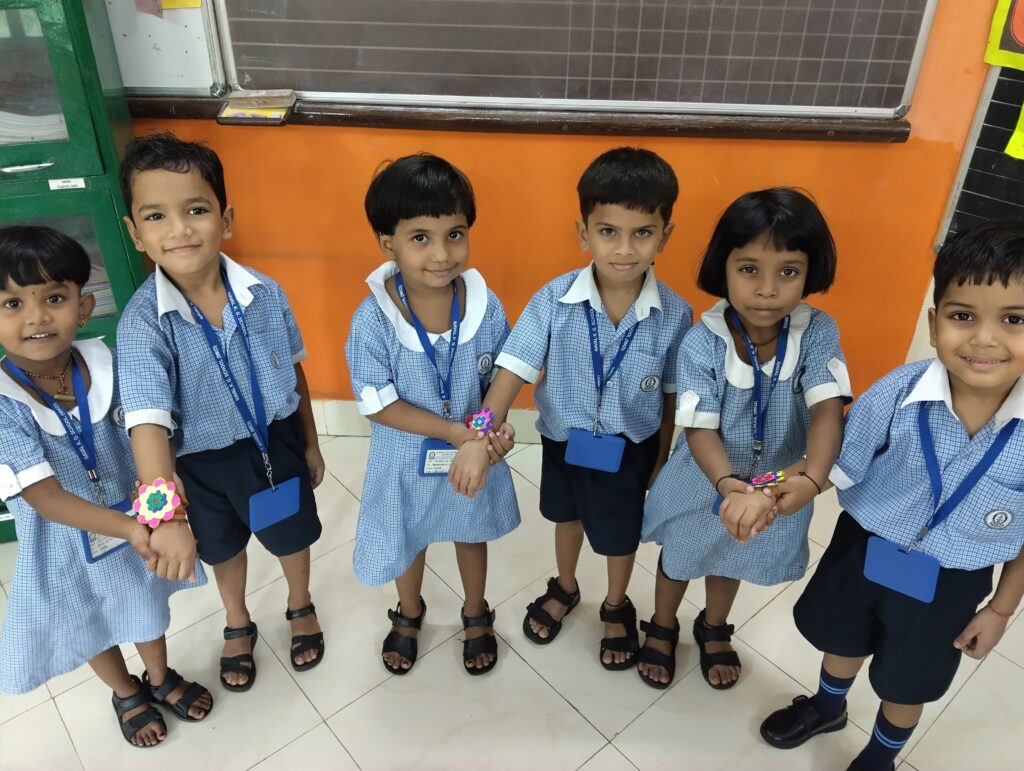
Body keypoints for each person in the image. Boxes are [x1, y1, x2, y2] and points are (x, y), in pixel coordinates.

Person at [761, 220, 1024, 771]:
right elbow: (832, 459)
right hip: (864, 549)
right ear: (934, 323)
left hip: (950, 583)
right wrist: (766, 485)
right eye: (962, 316)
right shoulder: (899, 391)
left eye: (1014, 320)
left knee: (909, 681)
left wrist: (1001, 609)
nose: (984, 339)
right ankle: (828, 707)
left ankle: (881, 756)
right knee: (843, 638)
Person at [451, 147, 691, 670]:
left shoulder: (675, 314)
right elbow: (510, 372)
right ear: (583, 232)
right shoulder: (553, 300)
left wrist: (662, 457)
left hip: (630, 449)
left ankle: (616, 603)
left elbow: (672, 396)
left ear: (665, 235)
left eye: (642, 232)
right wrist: (476, 435)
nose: (624, 248)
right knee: (566, 517)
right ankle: (565, 584)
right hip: (564, 442)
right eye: (608, 231)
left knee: (619, 536)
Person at [117, 132, 326, 693]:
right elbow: (146, 423)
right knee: (224, 548)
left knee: (291, 536)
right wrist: (165, 516)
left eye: (196, 210)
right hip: (200, 467)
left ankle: (299, 602)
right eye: (156, 216)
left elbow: (294, 370)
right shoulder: (141, 325)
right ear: (135, 233)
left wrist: (310, 442)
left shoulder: (266, 293)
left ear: (226, 219)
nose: (179, 229)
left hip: (273, 442)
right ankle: (237, 620)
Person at [0, 225, 211, 747]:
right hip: (65, 540)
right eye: (12, 303)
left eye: (54, 298)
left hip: (137, 520)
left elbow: (151, 440)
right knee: (90, 614)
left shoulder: (111, 363)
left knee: (144, 599)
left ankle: (159, 676)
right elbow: (46, 498)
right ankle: (126, 692)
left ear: (85, 306)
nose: (36, 317)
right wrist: (135, 528)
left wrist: (161, 515)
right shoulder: (4, 403)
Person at [639, 188, 850, 690]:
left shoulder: (818, 332)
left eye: (788, 271)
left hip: (775, 479)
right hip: (705, 478)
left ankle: (714, 626)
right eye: (750, 269)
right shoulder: (702, 340)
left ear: (810, 273)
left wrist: (812, 480)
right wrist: (728, 484)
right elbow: (699, 428)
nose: (767, 290)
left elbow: (827, 411)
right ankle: (663, 623)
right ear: (724, 266)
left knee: (731, 553)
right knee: (680, 556)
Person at [346, 153, 519, 676]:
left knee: (470, 527)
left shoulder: (486, 306)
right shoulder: (373, 318)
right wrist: (453, 431)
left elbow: (499, 381)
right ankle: (409, 610)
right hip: (406, 456)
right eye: (420, 237)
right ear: (388, 243)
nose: (442, 254)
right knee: (410, 532)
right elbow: (378, 403)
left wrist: (489, 434)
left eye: (455, 234)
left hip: (472, 452)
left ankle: (475, 611)